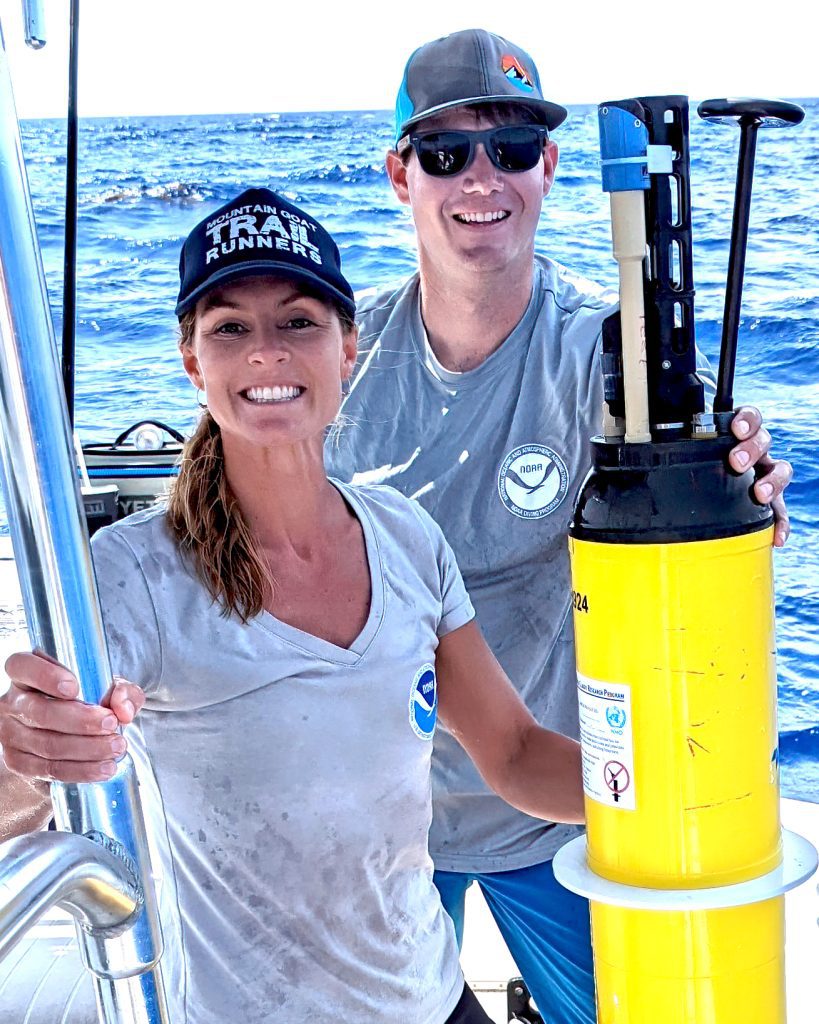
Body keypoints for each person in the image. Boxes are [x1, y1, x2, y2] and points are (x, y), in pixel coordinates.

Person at [0, 187, 587, 1024]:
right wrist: (25, 745)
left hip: (434, 998)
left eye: (299, 322)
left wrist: (660, 790)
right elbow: (19, 797)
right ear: (193, 362)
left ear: (349, 348)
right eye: (230, 328)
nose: (266, 352)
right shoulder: (131, 575)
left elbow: (516, 752)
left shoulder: (407, 537)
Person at [326, 29, 794, 1024]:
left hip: (570, 813)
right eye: (447, 154)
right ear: (398, 176)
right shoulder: (340, 363)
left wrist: (740, 490)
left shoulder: (607, 357)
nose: (480, 179)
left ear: (550, 165)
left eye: (511, 147)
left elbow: (713, 516)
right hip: (382, 828)